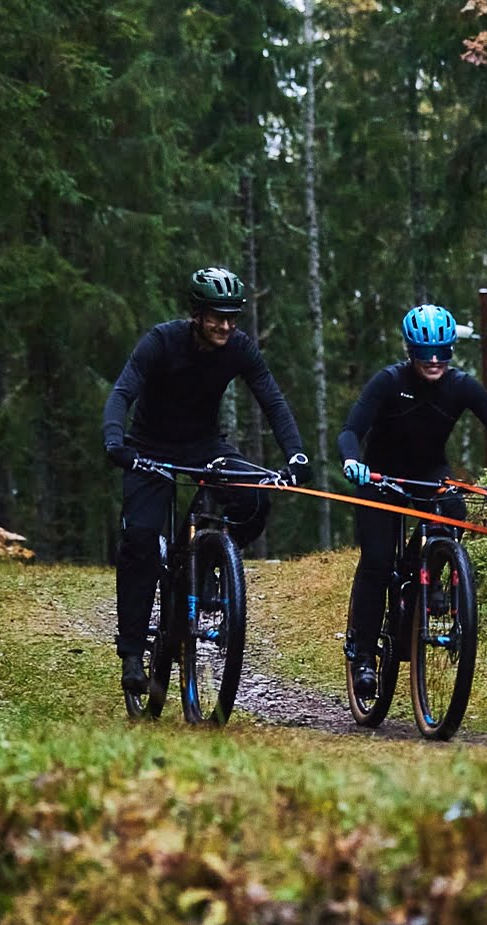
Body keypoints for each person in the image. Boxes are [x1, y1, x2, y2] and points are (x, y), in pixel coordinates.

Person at [103, 266, 311, 694]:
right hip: (149, 449)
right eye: (216, 316)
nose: (225, 325)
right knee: (141, 540)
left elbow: (271, 398)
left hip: (204, 447)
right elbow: (123, 392)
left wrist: (296, 455)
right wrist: (114, 442)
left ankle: (210, 562)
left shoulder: (239, 348)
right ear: (196, 314)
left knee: (254, 499)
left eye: (232, 317)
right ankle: (131, 654)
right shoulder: (162, 341)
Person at [338, 303, 487, 697]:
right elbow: (350, 430)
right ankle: (363, 655)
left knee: (454, 510)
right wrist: (352, 462)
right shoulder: (387, 381)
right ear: (410, 351)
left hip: (430, 475)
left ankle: (428, 582)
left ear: (450, 350)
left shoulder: (462, 385)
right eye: (425, 353)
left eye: (442, 352)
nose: (434, 361)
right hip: (380, 477)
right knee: (378, 562)